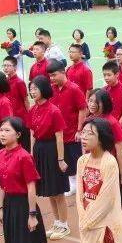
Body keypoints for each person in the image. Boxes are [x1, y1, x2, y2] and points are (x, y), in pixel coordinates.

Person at [0, 116, 50, 243]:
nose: (2, 134)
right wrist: (2, 208)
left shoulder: (24, 156)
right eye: (1, 130)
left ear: (18, 134)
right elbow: (2, 185)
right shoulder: (0, 155)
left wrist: (32, 214)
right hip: (10, 204)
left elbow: (31, 187)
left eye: (7, 130)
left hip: (24, 205)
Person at [28, 76, 71, 240]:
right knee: (49, 191)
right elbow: (32, 134)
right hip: (39, 150)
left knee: (58, 191)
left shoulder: (54, 110)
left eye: (35, 89)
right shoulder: (33, 110)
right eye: (31, 89)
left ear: (44, 89)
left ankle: (65, 224)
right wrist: (32, 154)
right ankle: (57, 222)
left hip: (52, 150)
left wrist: (61, 159)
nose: (32, 92)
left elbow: (59, 137)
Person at [85, 88, 122, 209]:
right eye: (90, 101)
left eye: (96, 102)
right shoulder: (88, 121)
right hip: (93, 169)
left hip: (108, 169)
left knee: (114, 207)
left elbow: (120, 150)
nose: (92, 104)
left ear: (104, 103)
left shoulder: (112, 123)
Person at [47, 61, 87, 197]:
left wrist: (79, 129)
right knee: (63, 156)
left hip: (71, 131)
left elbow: (82, 109)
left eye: (54, 75)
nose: (51, 78)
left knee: (74, 157)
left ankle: (77, 183)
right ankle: (71, 182)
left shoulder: (74, 89)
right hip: (58, 132)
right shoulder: (51, 89)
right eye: (50, 76)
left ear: (63, 72)